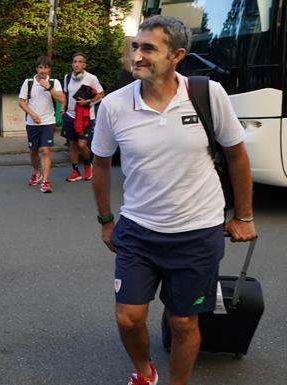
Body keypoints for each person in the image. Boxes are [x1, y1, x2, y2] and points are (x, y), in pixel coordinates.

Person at [91, 15, 256, 385]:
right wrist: (106, 220)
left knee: (184, 321)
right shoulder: (115, 105)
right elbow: (100, 164)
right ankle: (145, 372)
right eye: (135, 46)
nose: (137, 55)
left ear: (177, 55)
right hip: (138, 229)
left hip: (197, 232)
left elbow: (237, 155)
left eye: (149, 48)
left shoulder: (207, 94)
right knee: (128, 316)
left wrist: (243, 216)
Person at [18, 55, 65, 193]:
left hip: (48, 122)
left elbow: (62, 99)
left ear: (49, 69)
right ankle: (36, 172)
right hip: (32, 123)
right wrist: (32, 114)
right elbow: (21, 102)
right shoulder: (28, 82)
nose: (43, 70)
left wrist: (49, 87)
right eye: (40, 67)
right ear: (36, 68)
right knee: (33, 151)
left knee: (45, 150)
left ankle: (45, 181)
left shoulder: (54, 82)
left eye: (46, 67)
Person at [60, 52, 104, 182]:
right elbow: (65, 95)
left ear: (84, 65)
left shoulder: (92, 78)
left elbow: (101, 94)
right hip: (70, 116)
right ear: (72, 64)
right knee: (73, 144)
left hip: (86, 117)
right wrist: (62, 110)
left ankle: (87, 164)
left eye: (80, 62)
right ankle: (75, 171)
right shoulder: (67, 77)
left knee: (82, 144)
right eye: (75, 61)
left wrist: (88, 102)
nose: (77, 64)